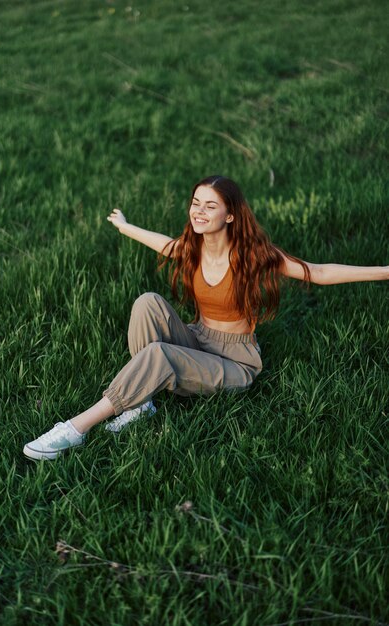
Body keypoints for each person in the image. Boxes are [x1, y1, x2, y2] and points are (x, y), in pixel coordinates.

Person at [23, 175, 388, 460]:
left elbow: (318, 272)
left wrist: (385, 271)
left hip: (235, 362)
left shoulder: (253, 256)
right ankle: (141, 403)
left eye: (209, 206)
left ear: (229, 215)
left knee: (159, 355)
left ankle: (75, 428)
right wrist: (125, 226)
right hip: (199, 339)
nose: (198, 211)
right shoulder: (194, 249)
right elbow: (165, 244)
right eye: (195, 202)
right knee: (147, 302)